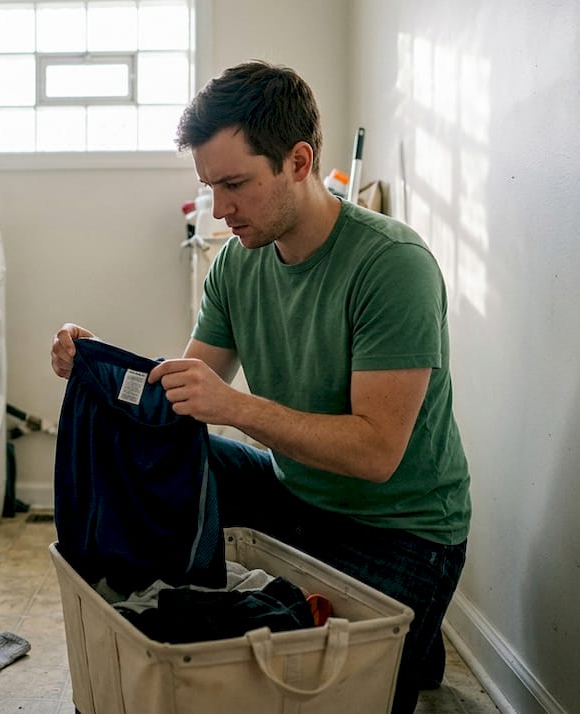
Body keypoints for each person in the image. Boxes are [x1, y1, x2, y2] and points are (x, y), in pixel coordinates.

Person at [49, 60, 471, 714]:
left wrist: (238, 410)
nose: (221, 209)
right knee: (155, 458)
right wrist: (97, 364)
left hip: (400, 528)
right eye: (211, 186)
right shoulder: (237, 268)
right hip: (296, 492)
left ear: (298, 162)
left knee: (334, 686)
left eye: (236, 184)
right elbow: (179, 397)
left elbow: (376, 452)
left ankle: (419, 627)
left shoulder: (393, 267)